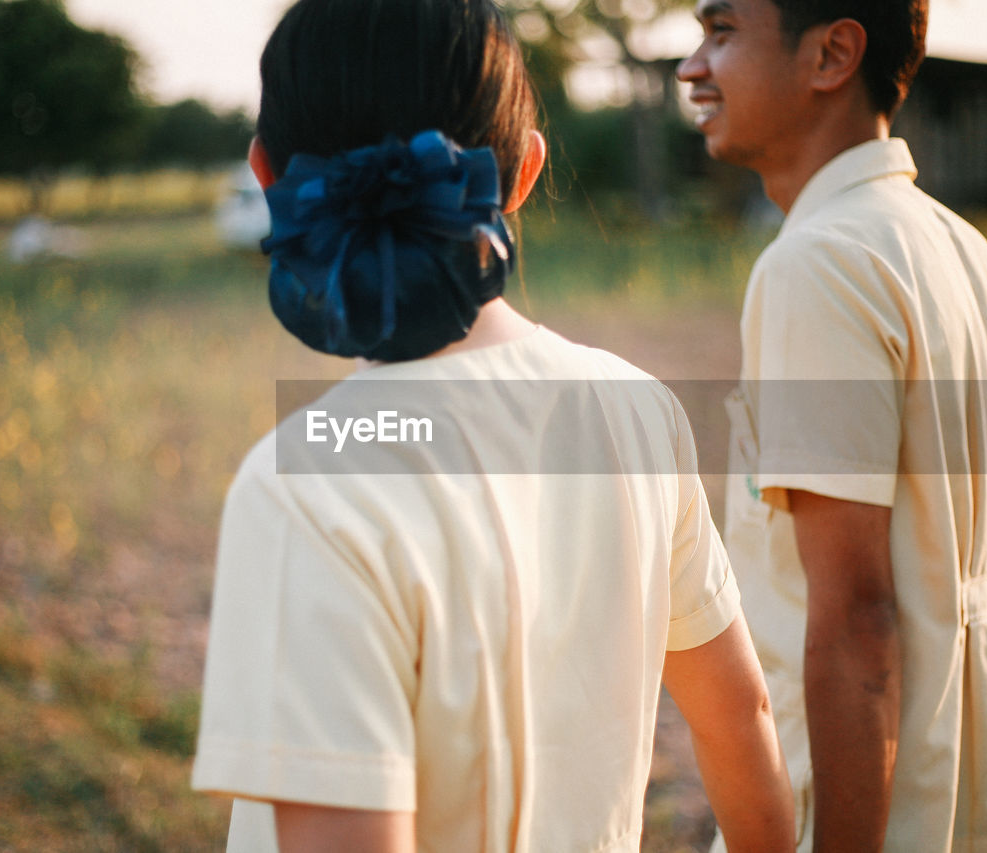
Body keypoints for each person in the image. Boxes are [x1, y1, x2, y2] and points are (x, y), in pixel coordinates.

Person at [191, 0, 795, 850]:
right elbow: (741, 713)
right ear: (521, 174)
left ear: (267, 176)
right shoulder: (636, 408)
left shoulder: (304, 480)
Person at [676, 0, 987, 850]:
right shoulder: (959, 245)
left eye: (721, 33)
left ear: (831, 55)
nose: (691, 69)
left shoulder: (818, 264)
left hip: (874, 811)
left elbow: (858, 616)